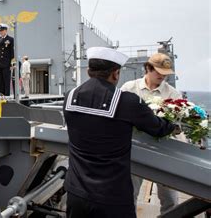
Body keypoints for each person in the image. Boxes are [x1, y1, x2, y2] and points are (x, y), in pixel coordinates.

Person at [63, 47, 178, 218]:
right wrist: (174, 123)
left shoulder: (69, 96)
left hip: (76, 193)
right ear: (116, 74)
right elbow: (159, 128)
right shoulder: (129, 102)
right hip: (112, 197)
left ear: (88, 71)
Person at [121, 52, 181, 214]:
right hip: (135, 149)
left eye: (165, 74)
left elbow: (178, 124)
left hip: (164, 150)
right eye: (159, 72)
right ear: (148, 68)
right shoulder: (128, 88)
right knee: (129, 193)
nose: (162, 76)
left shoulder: (173, 94)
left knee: (169, 195)